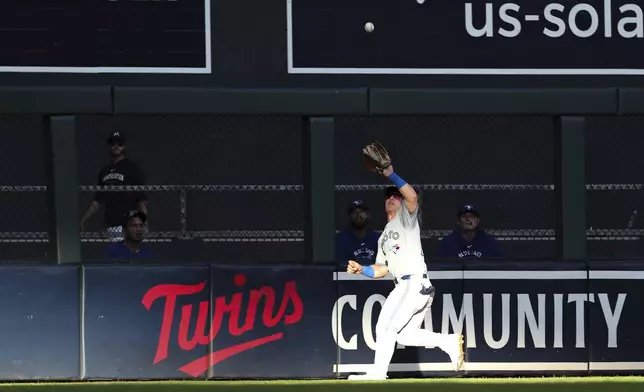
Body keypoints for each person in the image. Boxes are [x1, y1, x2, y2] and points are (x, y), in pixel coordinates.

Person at [346, 164, 464, 381]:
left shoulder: (405, 219)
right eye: (388, 197)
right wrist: (362, 269)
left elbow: (411, 196)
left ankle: (378, 373)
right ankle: (447, 341)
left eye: (395, 196)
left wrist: (390, 175)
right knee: (405, 334)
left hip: (412, 283)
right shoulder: (382, 237)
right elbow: (382, 270)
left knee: (385, 326)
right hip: (415, 287)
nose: (392, 198)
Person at [80, 131, 148, 241]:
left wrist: (144, 222)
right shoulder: (105, 171)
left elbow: (141, 198)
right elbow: (99, 198)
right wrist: (85, 218)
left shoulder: (132, 168)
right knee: (116, 255)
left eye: (119, 143)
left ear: (124, 146)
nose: (116, 146)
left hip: (129, 223)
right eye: (113, 143)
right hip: (112, 223)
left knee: (129, 255)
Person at [436, 204, 503, 260]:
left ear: (477, 221)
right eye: (464, 217)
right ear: (458, 221)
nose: (468, 219)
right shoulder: (447, 243)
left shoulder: (490, 243)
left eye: (472, 217)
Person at [336, 200, 380, 266]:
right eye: (354, 212)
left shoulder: (378, 239)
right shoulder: (340, 240)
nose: (358, 215)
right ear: (349, 216)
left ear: (367, 215)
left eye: (361, 212)